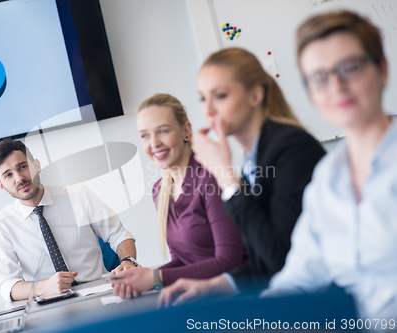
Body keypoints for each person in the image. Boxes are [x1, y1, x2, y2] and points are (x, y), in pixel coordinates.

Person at [157, 47, 325, 307]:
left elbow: (282, 259)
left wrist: (224, 174)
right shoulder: (253, 158)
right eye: (202, 98)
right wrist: (214, 285)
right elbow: (261, 262)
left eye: (220, 96)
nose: (209, 110)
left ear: (255, 95)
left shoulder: (292, 149)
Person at [259, 11, 397, 320]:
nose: (336, 86)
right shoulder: (327, 178)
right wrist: (254, 318)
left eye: (349, 68)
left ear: (382, 69)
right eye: (319, 78)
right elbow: (298, 279)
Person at [111, 93, 245, 298]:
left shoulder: (210, 179)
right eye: (145, 135)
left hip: (236, 298)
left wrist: (156, 278)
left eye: (162, 131)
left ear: (186, 131)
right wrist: (140, 277)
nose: (154, 143)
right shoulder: (160, 190)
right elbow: (184, 259)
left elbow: (228, 262)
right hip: (198, 297)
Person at [0, 139, 137, 301]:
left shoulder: (79, 195)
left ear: (37, 166)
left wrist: (128, 261)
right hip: (48, 302)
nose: (19, 178)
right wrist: (43, 287)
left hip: (98, 293)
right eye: (8, 175)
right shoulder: (2, 225)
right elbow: (7, 284)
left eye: (23, 167)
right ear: (1, 185)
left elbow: (118, 234)